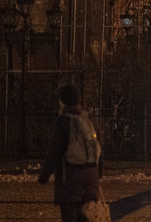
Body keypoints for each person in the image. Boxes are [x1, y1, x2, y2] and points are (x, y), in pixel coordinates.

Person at [38, 84, 104, 222]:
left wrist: (44, 175)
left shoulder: (64, 122)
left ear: (63, 101)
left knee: (70, 216)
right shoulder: (88, 120)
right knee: (84, 216)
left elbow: (55, 151)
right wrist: (98, 173)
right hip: (91, 177)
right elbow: (98, 148)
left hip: (70, 178)